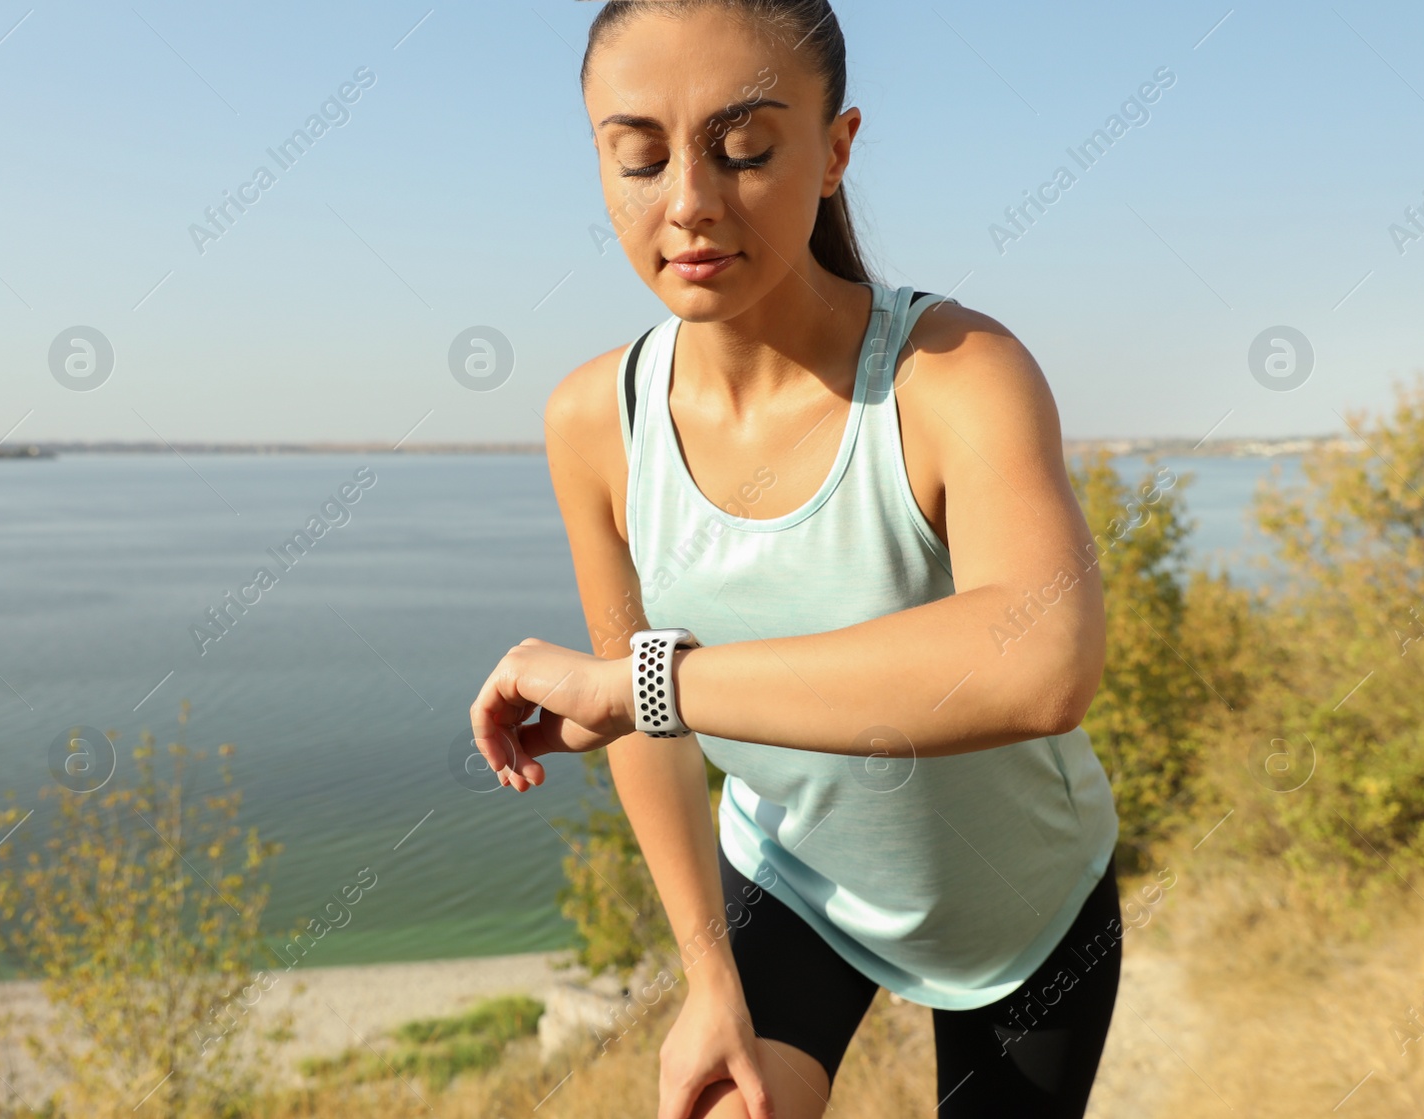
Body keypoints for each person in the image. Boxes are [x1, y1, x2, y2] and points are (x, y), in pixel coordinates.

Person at [469, 2, 1122, 1116]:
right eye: (638, 157)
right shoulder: (595, 420)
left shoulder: (952, 371)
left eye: (746, 151)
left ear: (834, 151)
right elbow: (645, 734)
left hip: (1020, 908)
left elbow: (1043, 659)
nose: (687, 204)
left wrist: (640, 686)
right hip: (792, 881)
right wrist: (707, 977)